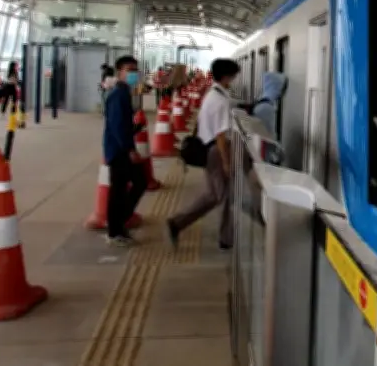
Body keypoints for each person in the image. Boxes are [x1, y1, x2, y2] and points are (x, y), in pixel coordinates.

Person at [165, 59, 240, 250]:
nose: (234, 80)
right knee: (224, 196)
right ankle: (225, 239)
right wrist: (226, 162)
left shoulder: (212, 94)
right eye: (233, 76)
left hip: (209, 149)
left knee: (214, 195)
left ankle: (178, 223)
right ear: (226, 77)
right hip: (216, 152)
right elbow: (221, 135)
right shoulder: (220, 101)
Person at [103, 56, 148, 247]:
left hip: (120, 148)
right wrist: (130, 149)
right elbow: (117, 126)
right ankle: (115, 228)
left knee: (122, 189)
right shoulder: (118, 94)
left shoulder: (123, 92)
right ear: (119, 72)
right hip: (119, 151)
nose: (133, 74)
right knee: (131, 185)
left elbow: (122, 124)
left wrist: (135, 129)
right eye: (129, 70)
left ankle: (117, 226)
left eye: (135, 70)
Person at [251, 71, 288, 138]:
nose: (283, 92)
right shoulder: (266, 107)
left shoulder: (263, 102)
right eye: (282, 88)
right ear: (276, 87)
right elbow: (269, 135)